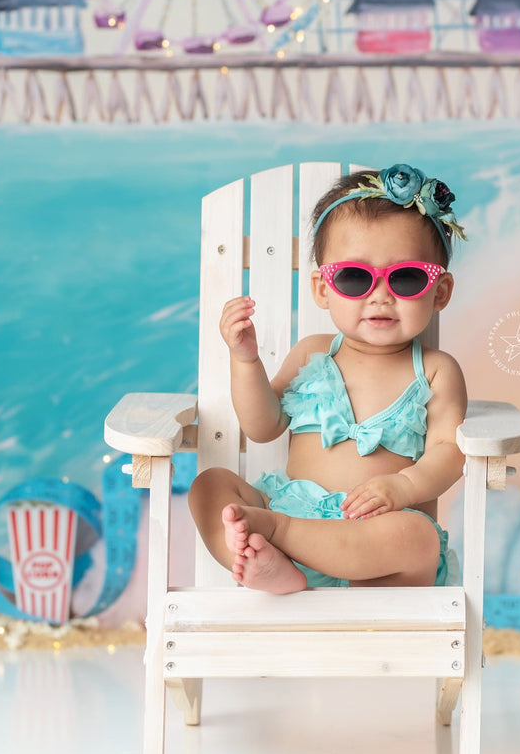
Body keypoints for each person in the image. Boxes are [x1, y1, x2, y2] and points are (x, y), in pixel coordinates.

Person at [187, 163, 470, 594]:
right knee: (209, 487)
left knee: (418, 538)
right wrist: (246, 361)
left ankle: (274, 537)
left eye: (407, 278)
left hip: (375, 551)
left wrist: (403, 486)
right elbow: (262, 427)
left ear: (441, 292)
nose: (380, 296)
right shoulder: (313, 354)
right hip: (293, 526)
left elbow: (450, 452)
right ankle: (263, 562)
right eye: (355, 278)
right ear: (323, 289)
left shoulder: (436, 370)